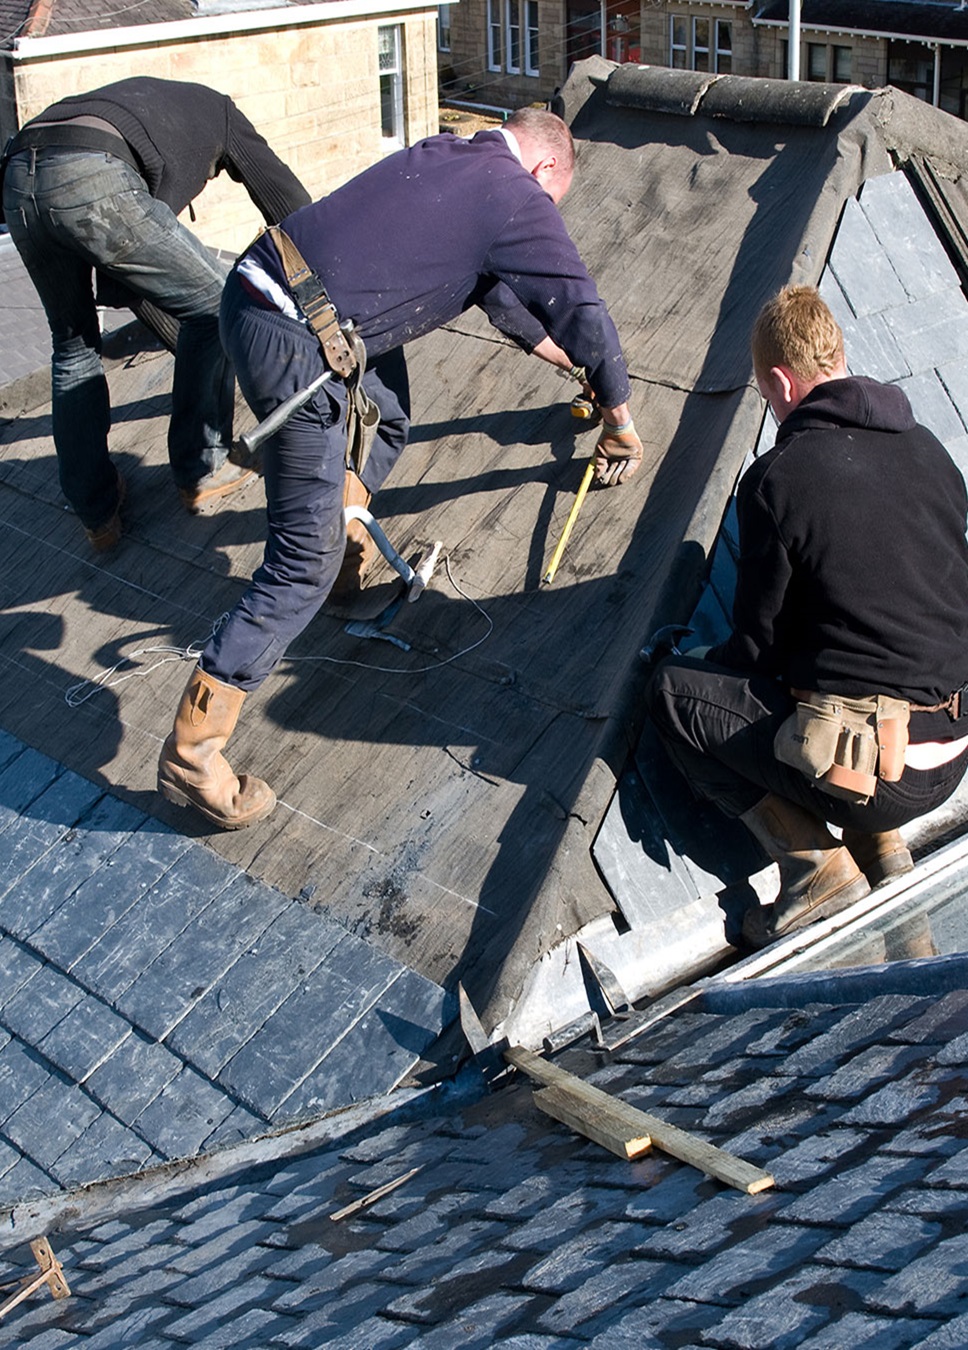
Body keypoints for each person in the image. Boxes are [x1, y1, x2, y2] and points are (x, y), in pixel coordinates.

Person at [156, 107, 643, 829]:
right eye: (551, 201)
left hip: (271, 290)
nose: (543, 214)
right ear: (543, 172)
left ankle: (347, 533)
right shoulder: (513, 193)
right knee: (298, 566)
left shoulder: (452, 157)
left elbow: (503, 299)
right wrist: (619, 417)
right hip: (292, 340)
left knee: (389, 412)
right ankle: (192, 752)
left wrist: (571, 365)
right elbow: (579, 306)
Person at [647, 284, 968, 948]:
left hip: (878, 776)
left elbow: (755, 649)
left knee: (675, 695)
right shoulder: (931, 451)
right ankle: (881, 850)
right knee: (860, 661)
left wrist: (703, 660)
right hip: (953, 754)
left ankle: (812, 870)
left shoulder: (777, 480)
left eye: (767, 397)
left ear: (781, 382)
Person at [0, 77, 311, 550]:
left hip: (20, 174)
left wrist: (200, 348)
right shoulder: (223, 114)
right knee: (221, 303)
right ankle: (202, 468)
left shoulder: (156, 113)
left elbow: (137, 287)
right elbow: (287, 202)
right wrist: (322, 283)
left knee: (72, 345)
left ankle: (96, 511)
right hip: (91, 167)